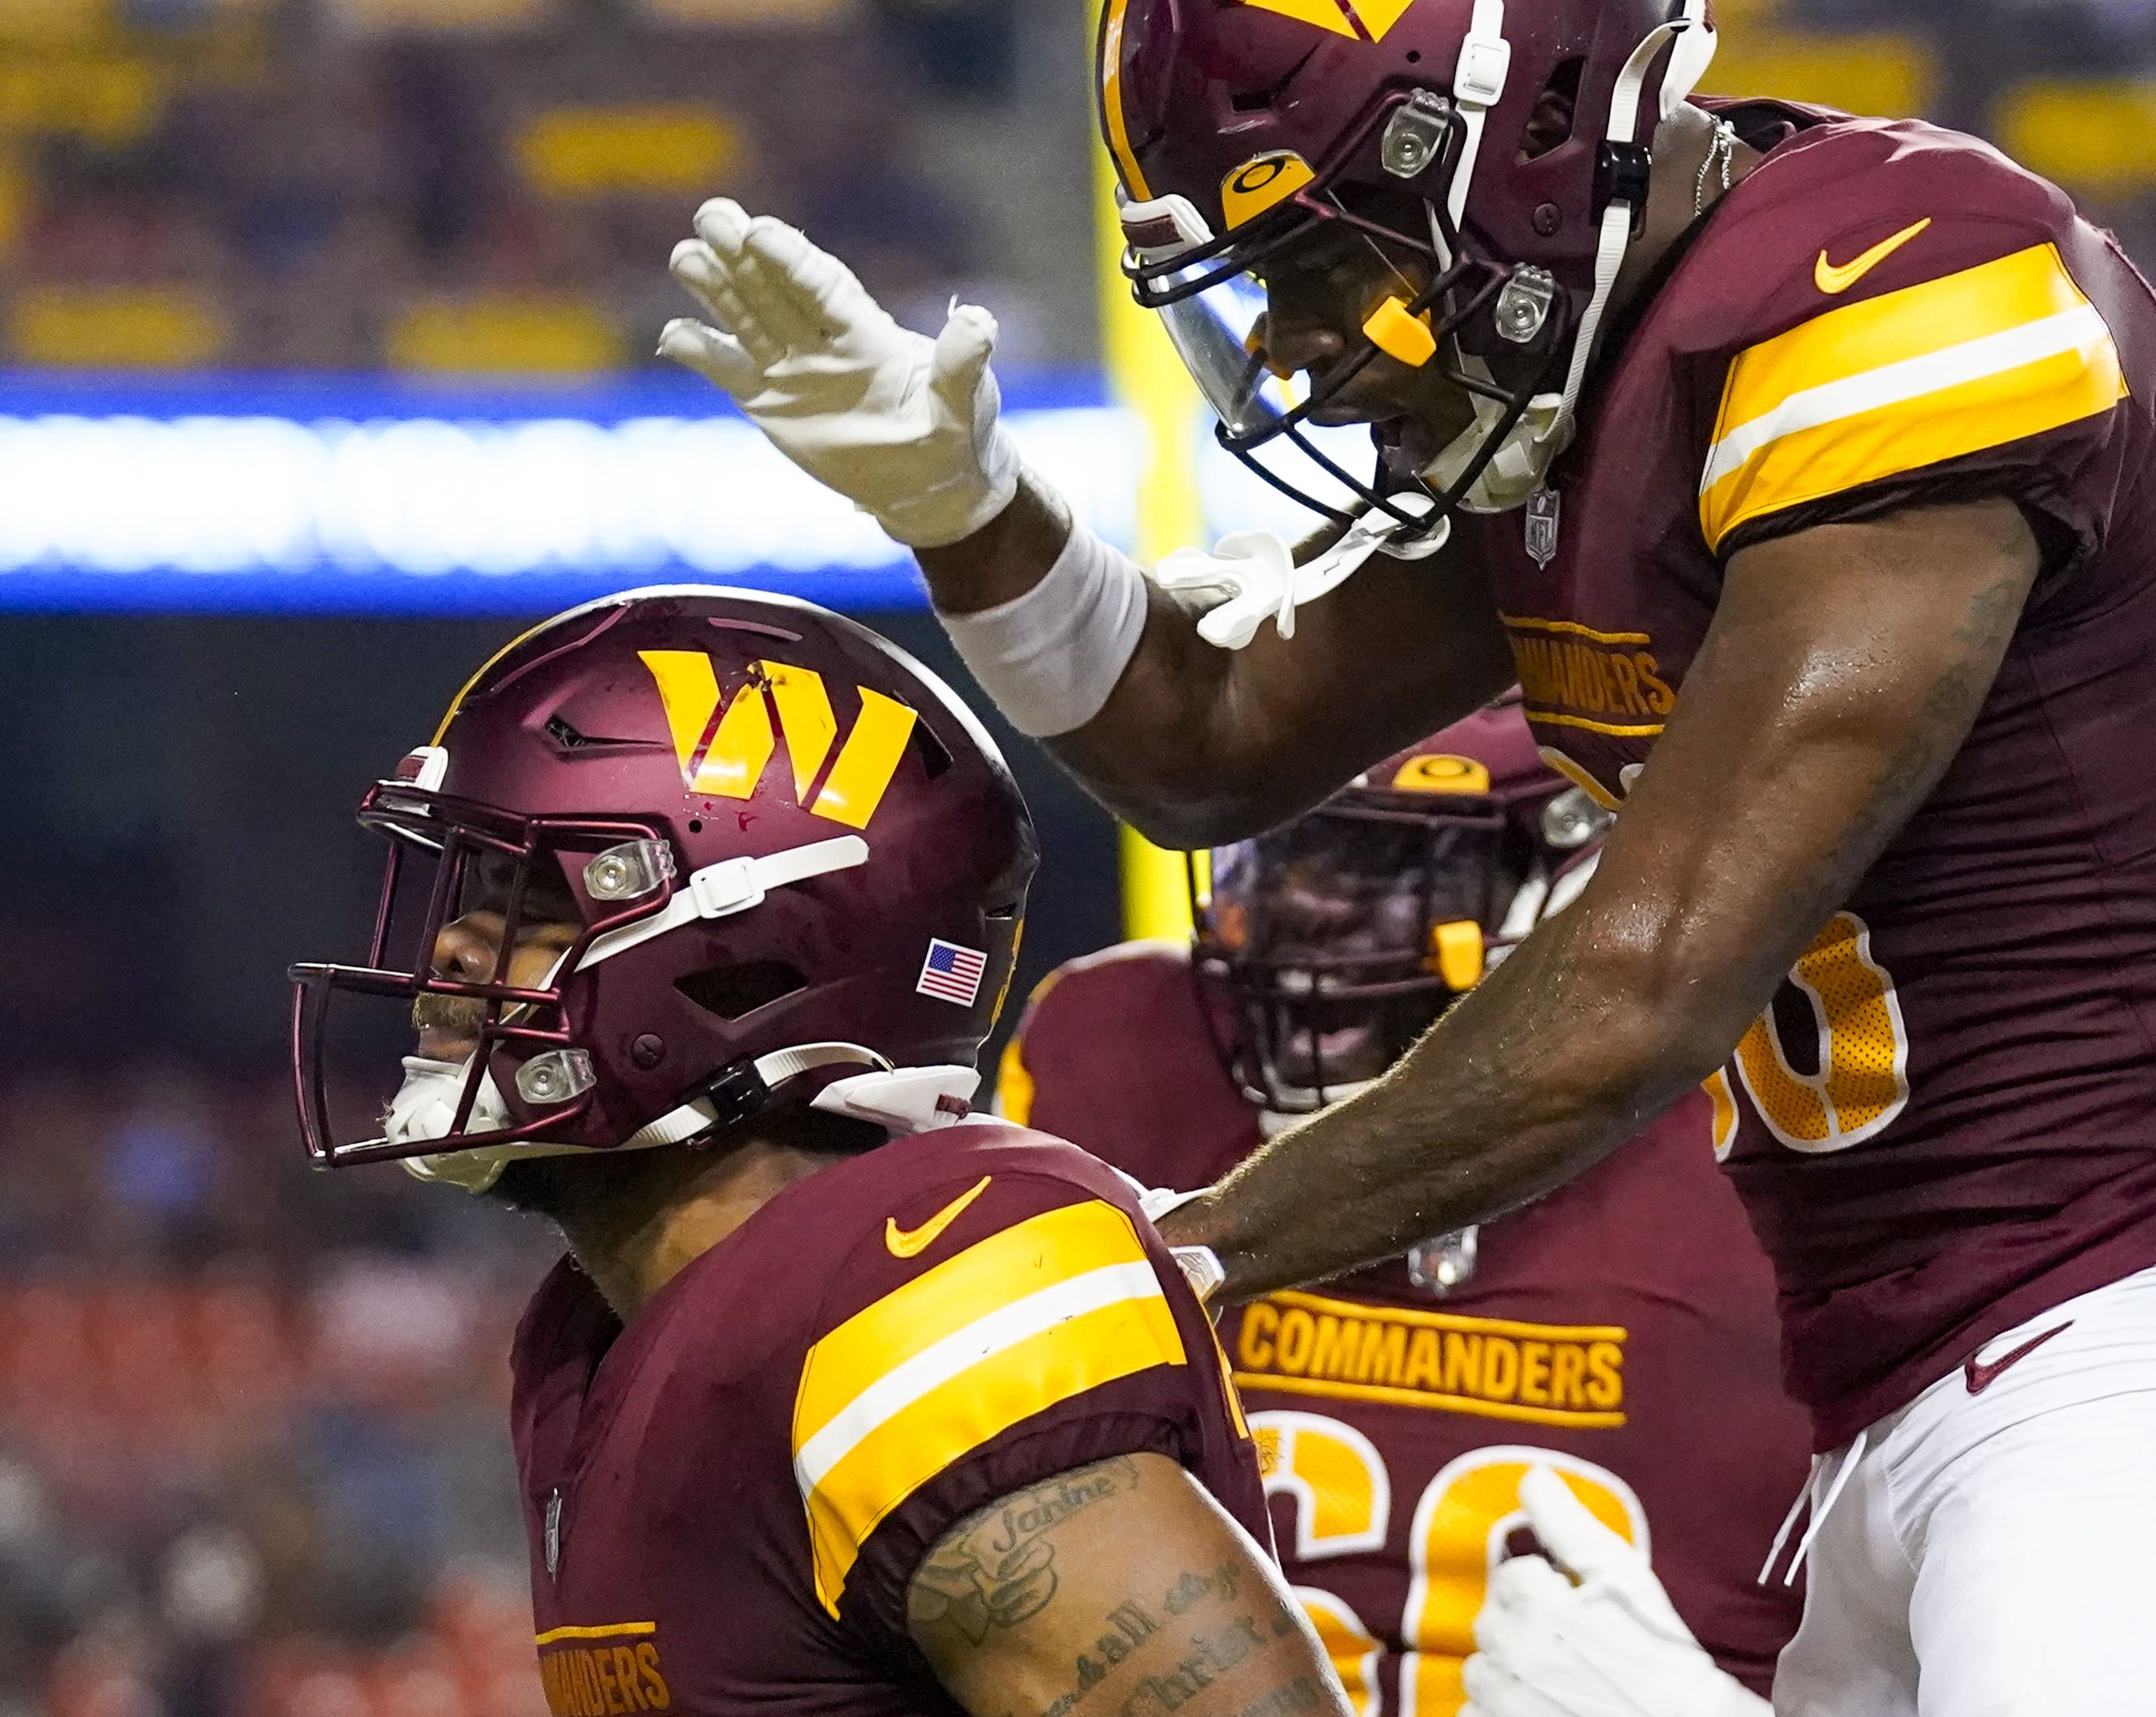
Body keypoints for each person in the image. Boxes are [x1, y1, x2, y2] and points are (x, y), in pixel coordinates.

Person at [658, 2, 2156, 1706]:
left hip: (2105, 1310)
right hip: (1916, 1358)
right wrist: (964, 505)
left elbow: (1643, 982)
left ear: (1503, 146)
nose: (1298, 353)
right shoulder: (1598, 390)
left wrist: (1176, 1250)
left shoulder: (1890, 284)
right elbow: (1205, 745)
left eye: (1316, 262)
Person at [288, 587, 1350, 1717]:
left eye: (534, 898)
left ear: (745, 957)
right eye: (472, 888)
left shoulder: (909, 1300)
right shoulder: (588, 1335)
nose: (453, 943)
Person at [997, 700, 1806, 1717]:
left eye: (1376, 869)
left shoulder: (1773, 1134)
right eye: (1277, 852)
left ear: (1578, 879)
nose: (1300, 911)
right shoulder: (1113, 1054)